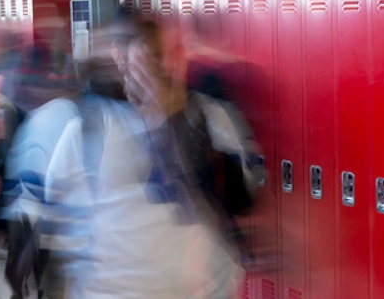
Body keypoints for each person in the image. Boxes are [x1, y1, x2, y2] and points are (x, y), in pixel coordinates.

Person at [17, 20, 262, 298]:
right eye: (144, 57)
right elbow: (54, 221)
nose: (153, 70)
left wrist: (175, 126)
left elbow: (241, 201)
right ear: (119, 58)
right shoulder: (87, 128)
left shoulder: (210, 117)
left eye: (160, 57)